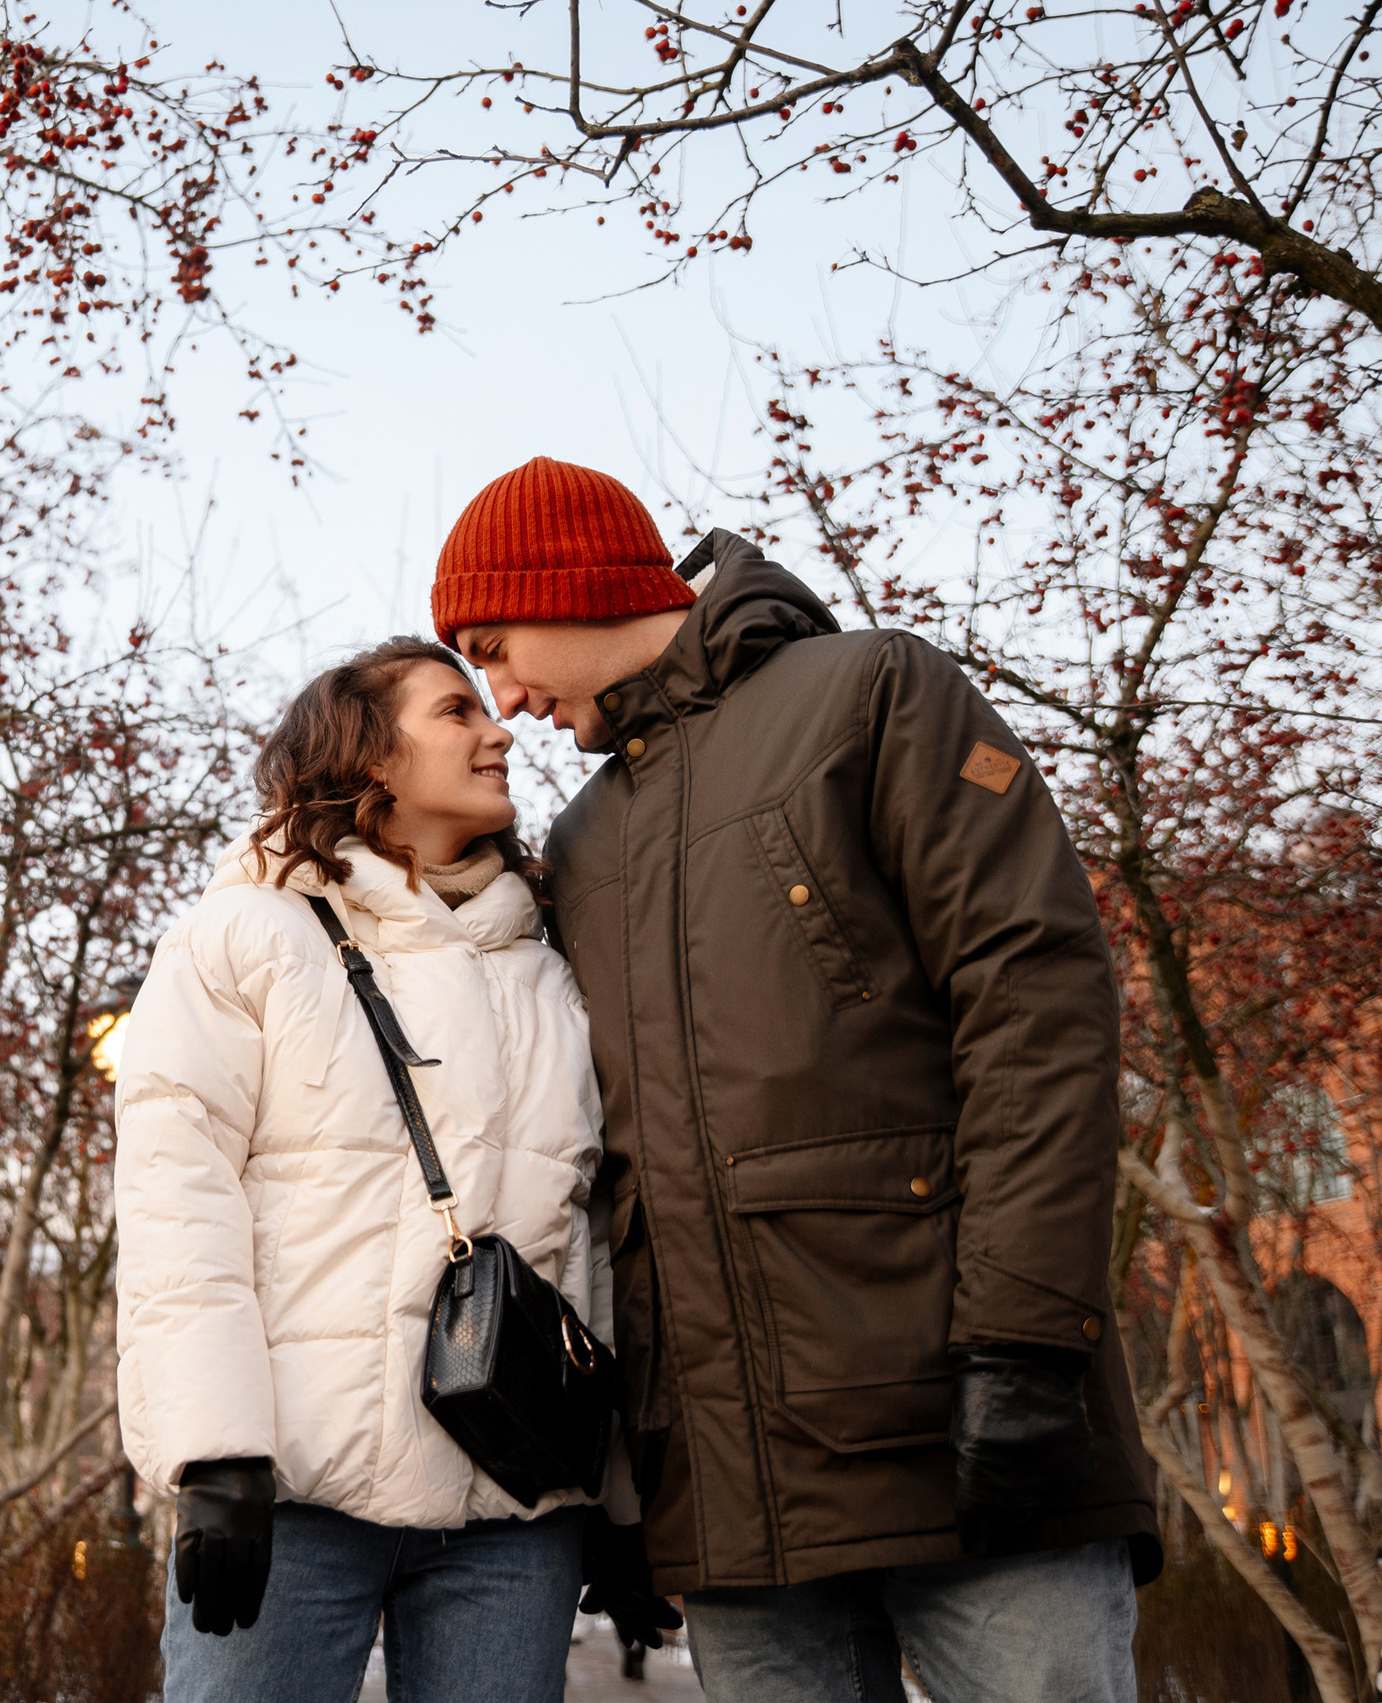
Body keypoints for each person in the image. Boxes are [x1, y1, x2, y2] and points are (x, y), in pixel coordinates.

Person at [432, 457, 1163, 1703]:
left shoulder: (873, 693)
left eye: (496, 648)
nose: (502, 699)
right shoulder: (585, 840)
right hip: (728, 1492)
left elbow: (1034, 1009)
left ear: (573, 584)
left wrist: (1027, 1343)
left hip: (957, 1419)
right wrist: (632, 1481)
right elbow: (604, 1170)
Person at [113, 636, 644, 1702]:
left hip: (513, 1511)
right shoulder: (247, 935)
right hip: (288, 1492)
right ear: (369, 757)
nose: (498, 730)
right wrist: (213, 1451)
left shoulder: (550, 972)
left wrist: (619, 1501)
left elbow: (588, 1241)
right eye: (456, 710)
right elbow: (179, 1203)